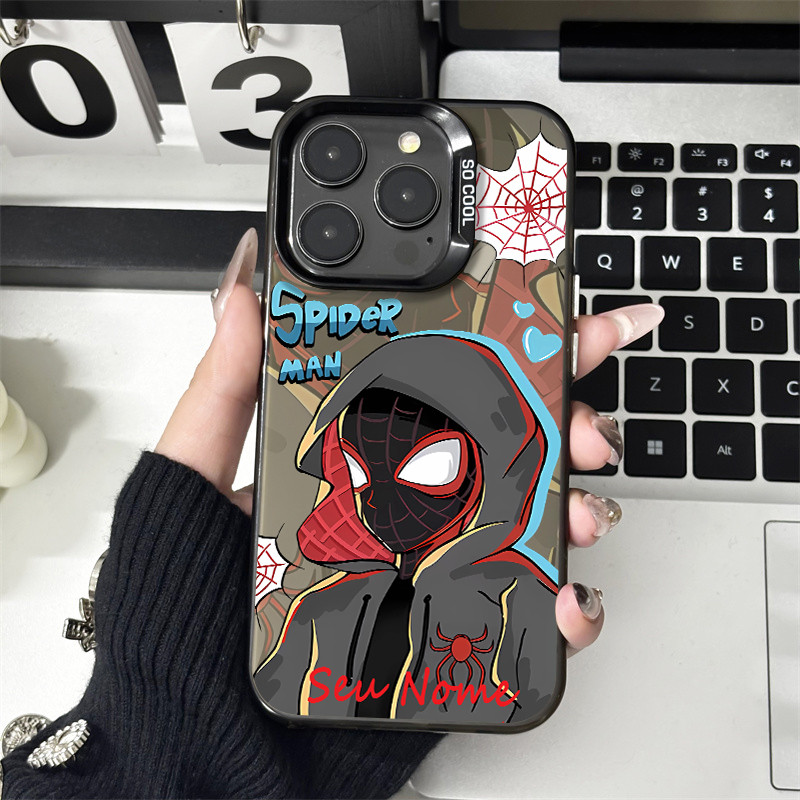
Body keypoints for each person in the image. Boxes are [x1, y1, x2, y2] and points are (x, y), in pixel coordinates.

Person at [1, 230, 663, 799]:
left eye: (431, 466)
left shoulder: (511, 597)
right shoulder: (320, 608)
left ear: (499, 471)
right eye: (354, 467)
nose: (378, 500)